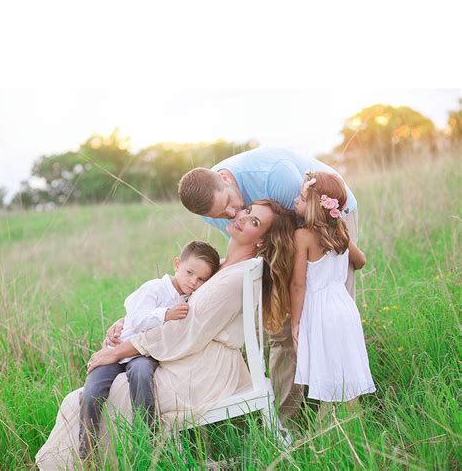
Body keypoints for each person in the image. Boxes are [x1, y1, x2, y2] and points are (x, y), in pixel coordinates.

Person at [36, 200, 296, 469]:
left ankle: (117, 461)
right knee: (92, 394)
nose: (242, 218)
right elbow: (174, 307)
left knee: (99, 397)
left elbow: (185, 331)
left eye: (254, 222)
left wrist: (118, 351)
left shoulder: (233, 278)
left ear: (263, 241)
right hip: (192, 360)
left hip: (205, 373)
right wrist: (126, 323)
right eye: (248, 211)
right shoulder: (219, 265)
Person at [178, 146, 359, 418]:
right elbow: (246, 248)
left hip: (325, 219)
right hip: (277, 234)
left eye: (230, 203)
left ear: (225, 180)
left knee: (326, 317)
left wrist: (297, 300)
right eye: (221, 214)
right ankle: (287, 420)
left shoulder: (275, 177)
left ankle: (337, 412)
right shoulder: (211, 208)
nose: (232, 213)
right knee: (280, 329)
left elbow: (304, 233)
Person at [78, 240, 220, 460]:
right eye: (189, 272)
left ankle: (147, 442)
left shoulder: (190, 298)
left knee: (143, 373)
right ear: (176, 264)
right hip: (118, 347)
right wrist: (166, 314)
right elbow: (135, 320)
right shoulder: (155, 287)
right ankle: (87, 453)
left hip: (143, 353)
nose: (193, 282)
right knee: (91, 392)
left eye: (201, 279)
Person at [291, 171, 375, 406]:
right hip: (345, 308)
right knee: (346, 369)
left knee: (327, 372)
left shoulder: (302, 235)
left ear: (315, 206)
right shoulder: (340, 230)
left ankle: (329, 426)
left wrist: (294, 322)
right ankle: (352, 420)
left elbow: (298, 284)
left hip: (321, 312)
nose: (295, 201)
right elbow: (360, 261)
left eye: (300, 197)